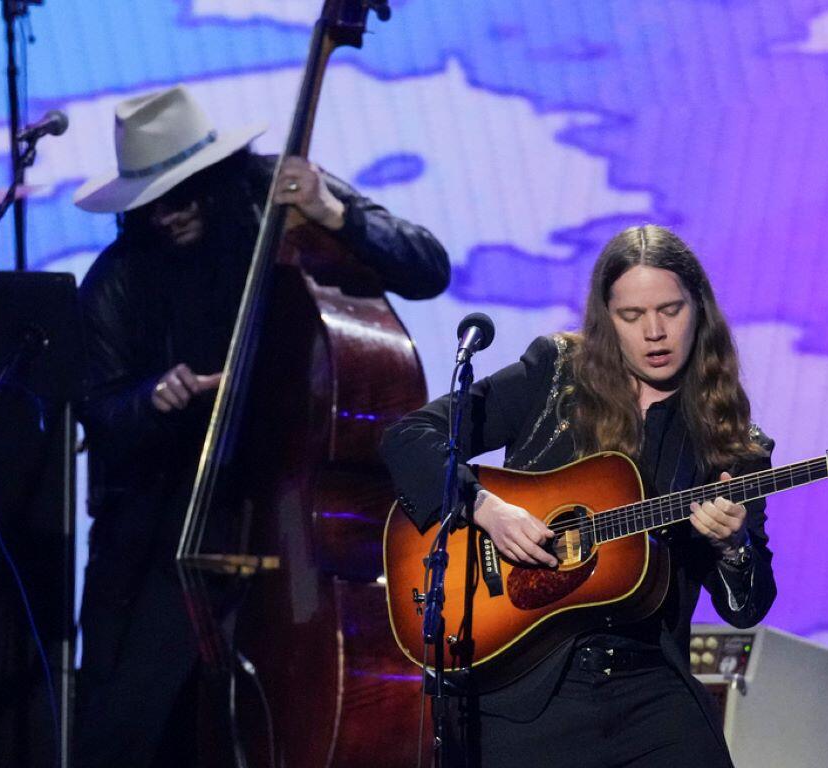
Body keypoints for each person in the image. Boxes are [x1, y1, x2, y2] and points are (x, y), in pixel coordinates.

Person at [72, 84, 450, 768]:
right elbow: (95, 407)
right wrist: (152, 398)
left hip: (289, 532)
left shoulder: (286, 200)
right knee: (124, 730)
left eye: (186, 192)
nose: (171, 213)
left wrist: (332, 212)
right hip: (164, 529)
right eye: (153, 202)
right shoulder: (117, 279)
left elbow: (427, 266)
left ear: (219, 175)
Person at [381, 224, 774, 767]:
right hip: (528, 684)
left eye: (671, 310)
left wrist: (733, 548)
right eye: (631, 316)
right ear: (606, 320)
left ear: (699, 310)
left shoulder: (730, 440)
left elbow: (747, 606)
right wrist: (484, 507)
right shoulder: (555, 374)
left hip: (650, 686)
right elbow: (409, 437)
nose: (655, 332)